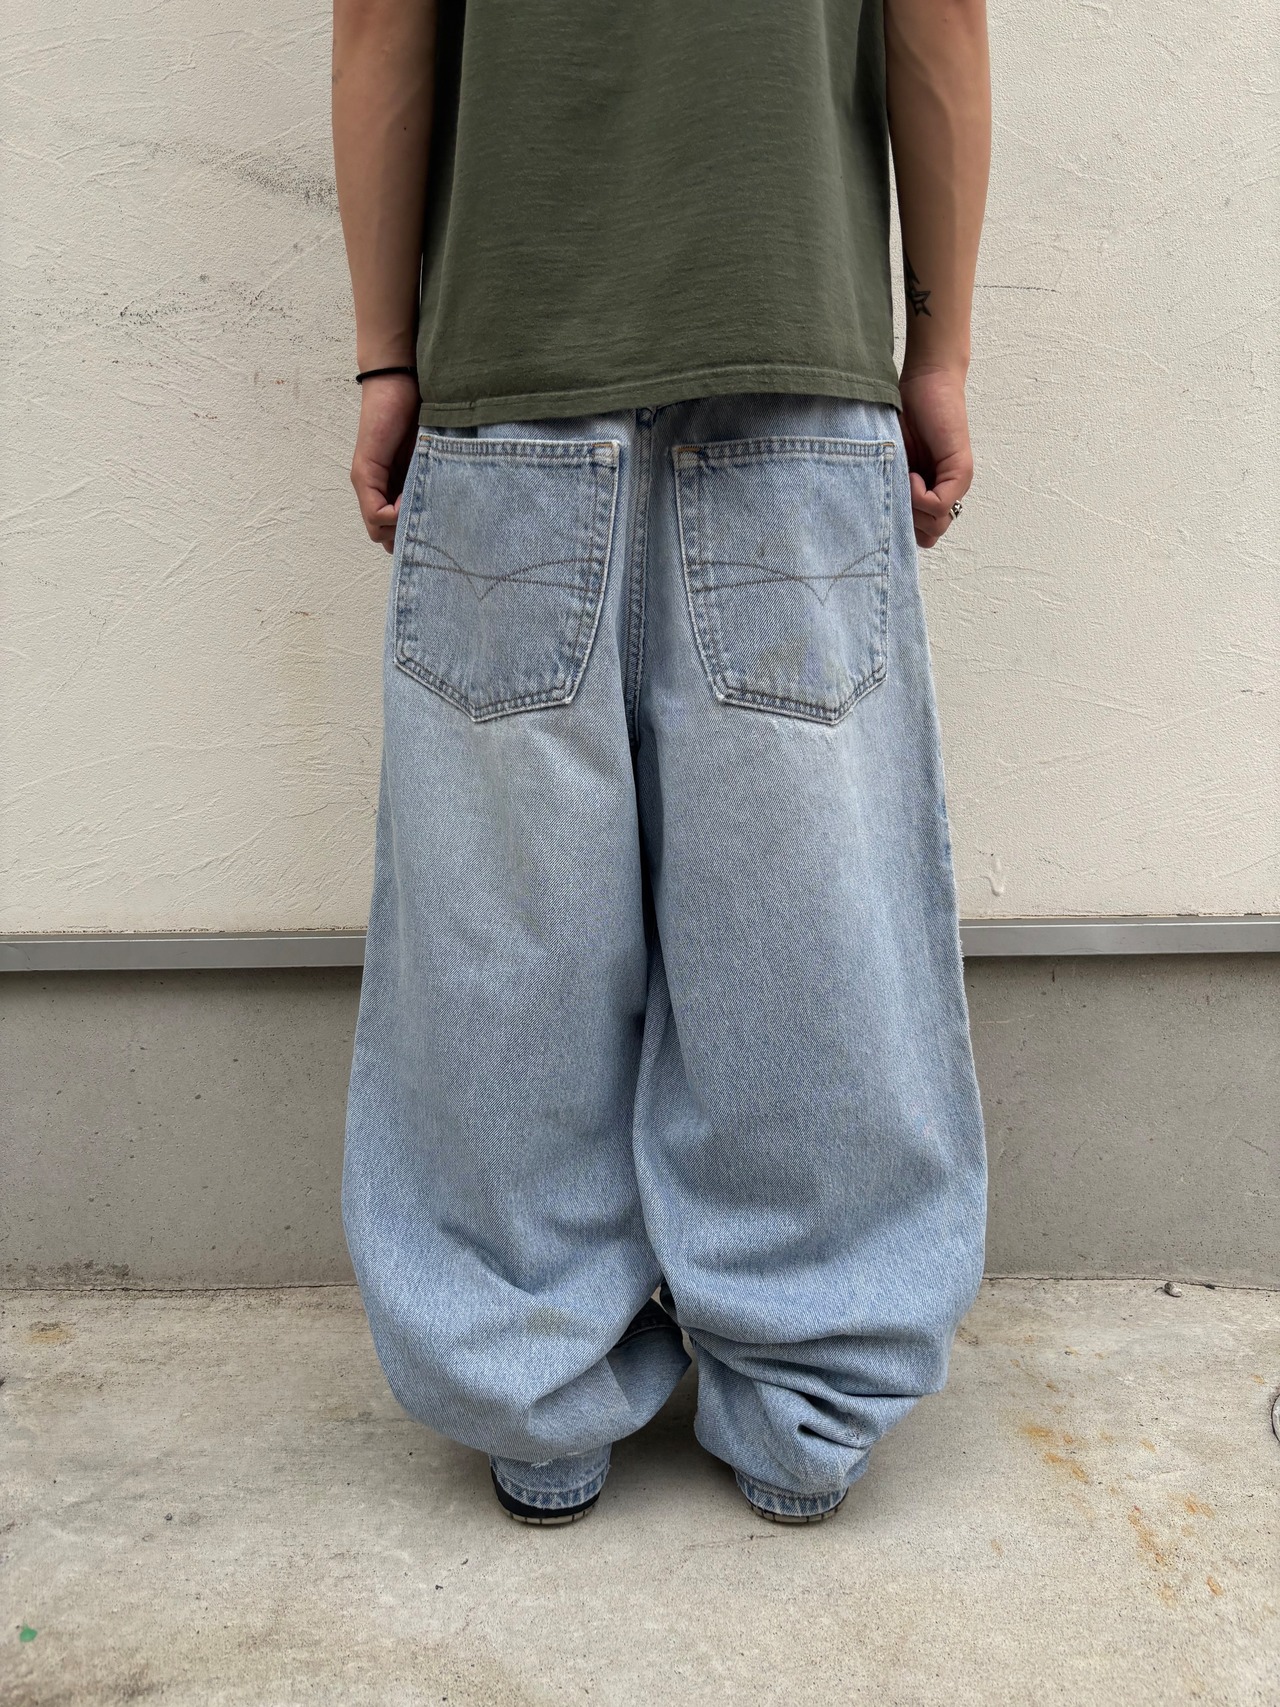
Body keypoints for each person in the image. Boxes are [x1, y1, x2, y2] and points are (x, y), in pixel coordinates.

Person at [332, 0, 991, 1526]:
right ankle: (810, 1400)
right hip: (797, 356)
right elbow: (939, 21)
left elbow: (380, 26)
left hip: (509, 362)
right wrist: (940, 347)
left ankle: (528, 1388)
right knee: (809, 925)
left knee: (504, 933)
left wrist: (384, 361)